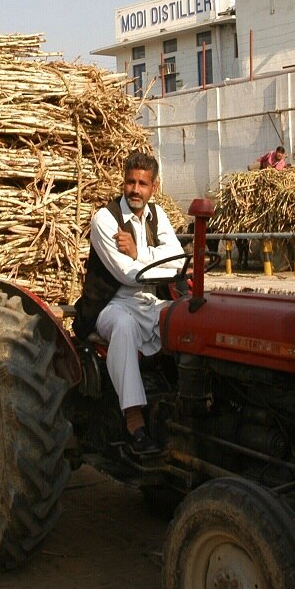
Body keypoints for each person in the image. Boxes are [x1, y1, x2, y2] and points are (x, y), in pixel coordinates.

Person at [74, 151, 184, 454]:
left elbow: (179, 263)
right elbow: (127, 274)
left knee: (185, 317)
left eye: (142, 184)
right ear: (123, 182)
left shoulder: (158, 216)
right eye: (130, 182)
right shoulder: (105, 219)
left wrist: (139, 253)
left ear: (154, 187)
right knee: (122, 326)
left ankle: (183, 403)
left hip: (149, 301)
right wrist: (147, 262)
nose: (135, 189)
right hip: (111, 304)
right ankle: (134, 419)